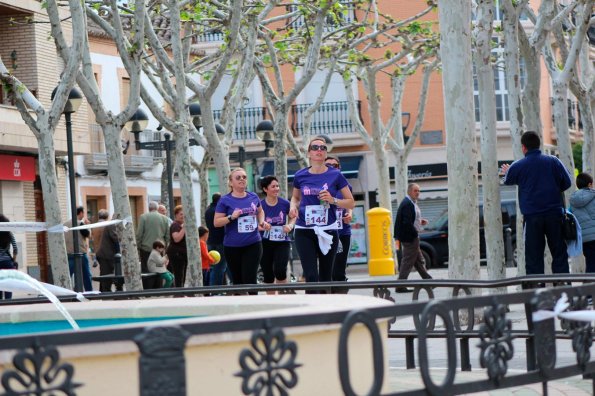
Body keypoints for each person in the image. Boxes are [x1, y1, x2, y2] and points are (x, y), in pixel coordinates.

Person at [502, 130, 572, 275]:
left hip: (532, 218)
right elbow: (567, 183)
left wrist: (509, 171)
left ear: (523, 147)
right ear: (539, 145)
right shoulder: (553, 161)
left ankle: (536, 292)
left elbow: (508, 180)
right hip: (554, 215)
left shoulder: (518, 166)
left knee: (533, 258)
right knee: (559, 254)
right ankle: (563, 291)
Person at [289, 138, 354, 291]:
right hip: (304, 230)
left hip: (329, 230)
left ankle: (327, 312)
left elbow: (350, 202)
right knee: (311, 276)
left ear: (325, 153)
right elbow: (296, 197)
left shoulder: (336, 175)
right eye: (315, 147)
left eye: (323, 147)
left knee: (326, 276)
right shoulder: (300, 175)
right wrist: (293, 207)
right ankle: (313, 312)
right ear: (309, 153)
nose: (319, 149)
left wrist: (333, 200)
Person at [214, 168, 267, 291]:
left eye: (244, 177)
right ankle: (241, 305)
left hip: (253, 243)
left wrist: (262, 221)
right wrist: (231, 217)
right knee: (238, 280)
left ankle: (253, 307)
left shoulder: (253, 196)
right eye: (238, 178)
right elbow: (216, 222)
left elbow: (260, 211)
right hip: (232, 246)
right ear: (231, 183)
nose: (242, 179)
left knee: (250, 278)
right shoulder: (225, 200)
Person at [394, 183, 433, 293]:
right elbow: (406, 222)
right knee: (408, 261)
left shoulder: (411, 203)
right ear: (409, 191)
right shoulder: (407, 203)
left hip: (411, 235)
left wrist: (420, 222)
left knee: (419, 261)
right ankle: (400, 285)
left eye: (419, 191)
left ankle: (428, 281)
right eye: (415, 191)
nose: (418, 193)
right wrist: (415, 233)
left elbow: (411, 219)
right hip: (410, 237)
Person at [259, 175, 295, 294]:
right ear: (265, 189)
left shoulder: (285, 203)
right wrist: (263, 225)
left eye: (277, 186)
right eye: (273, 186)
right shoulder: (260, 205)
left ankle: (282, 297)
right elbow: (255, 223)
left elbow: (293, 217)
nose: (276, 189)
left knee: (280, 271)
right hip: (265, 242)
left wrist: (290, 226)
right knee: (268, 274)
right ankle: (271, 301)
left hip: (282, 242)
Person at [324, 156, 353, 292]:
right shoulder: (318, 186)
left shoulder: (346, 187)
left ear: (339, 168)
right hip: (324, 233)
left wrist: (349, 214)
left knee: (339, 269)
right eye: (328, 165)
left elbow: (350, 204)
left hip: (343, 232)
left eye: (335, 165)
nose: (332, 168)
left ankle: (341, 300)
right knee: (326, 270)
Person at [136, 201, 169, 288]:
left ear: (149, 208)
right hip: (159, 249)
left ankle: (148, 290)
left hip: (146, 248)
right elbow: (167, 235)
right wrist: (165, 249)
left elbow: (139, 234)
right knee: (159, 268)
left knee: (146, 269)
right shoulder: (164, 218)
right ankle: (158, 288)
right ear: (157, 208)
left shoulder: (143, 217)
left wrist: (138, 246)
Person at [570, 172, 595, 272]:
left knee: (590, 263)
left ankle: (588, 285)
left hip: (584, 238)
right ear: (589, 184)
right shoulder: (593, 195)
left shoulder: (573, 200)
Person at [64, 206, 93, 291]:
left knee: (68, 275)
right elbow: (88, 235)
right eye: (83, 213)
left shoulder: (65, 224)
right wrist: (88, 226)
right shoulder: (80, 223)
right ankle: (89, 292)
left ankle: (66, 292)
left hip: (69, 253)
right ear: (80, 213)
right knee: (86, 275)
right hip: (81, 253)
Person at [205, 193, 228, 286]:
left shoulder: (208, 210)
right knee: (220, 267)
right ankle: (215, 289)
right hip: (220, 241)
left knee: (213, 267)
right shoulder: (219, 211)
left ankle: (217, 287)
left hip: (210, 241)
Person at [95, 209, 120, 292]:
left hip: (103, 253)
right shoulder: (112, 225)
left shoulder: (111, 224)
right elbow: (116, 239)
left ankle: (103, 292)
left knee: (104, 274)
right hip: (106, 254)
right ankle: (106, 293)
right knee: (107, 275)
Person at [166, 205, 188, 287]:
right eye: (181, 214)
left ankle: (180, 290)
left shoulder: (180, 225)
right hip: (177, 254)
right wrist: (184, 228)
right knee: (179, 274)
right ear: (176, 215)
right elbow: (176, 238)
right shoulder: (175, 225)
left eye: (184, 214)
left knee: (182, 274)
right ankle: (179, 292)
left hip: (182, 253)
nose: (183, 216)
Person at [0, 214, 18, 299]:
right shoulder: (9, 234)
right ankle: (8, 304)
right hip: (8, 263)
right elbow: (15, 249)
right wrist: (13, 261)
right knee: (8, 286)